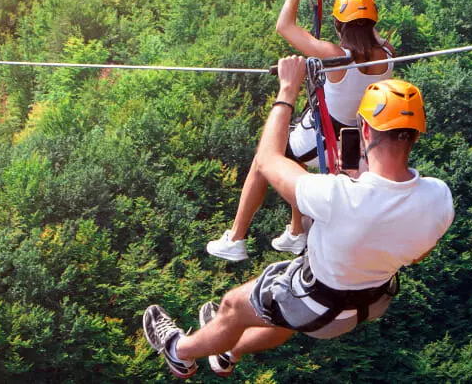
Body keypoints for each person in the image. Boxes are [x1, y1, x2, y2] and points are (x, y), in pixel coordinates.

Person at [143, 57, 454, 378]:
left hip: (318, 305)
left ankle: (178, 352)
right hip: (369, 304)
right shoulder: (439, 198)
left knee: (233, 307)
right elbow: (418, 254)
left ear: (364, 128)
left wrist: (287, 90)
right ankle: (229, 352)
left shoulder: (338, 195)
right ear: (416, 135)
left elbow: (267, 160)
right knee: (284, 314)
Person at [207, 0, 396, 261]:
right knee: (297, 161)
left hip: (325, 135)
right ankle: (297, 232)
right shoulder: (387, 53)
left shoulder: (335, 56)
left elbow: (284, 26)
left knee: (263, 159)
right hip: (355, 138)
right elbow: (365, 28)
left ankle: (236, 238)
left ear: (337, 24)